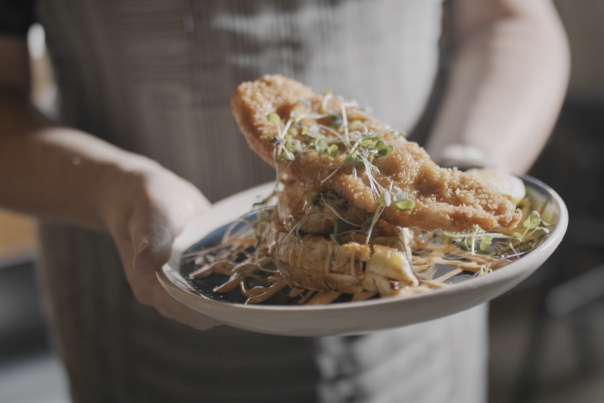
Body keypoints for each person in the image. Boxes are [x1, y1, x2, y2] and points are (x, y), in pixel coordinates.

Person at [0, 0, 569, 402]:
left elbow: (510, 19)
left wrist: (468, 161)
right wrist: (119, 187)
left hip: (424, 312)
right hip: (148, 337)